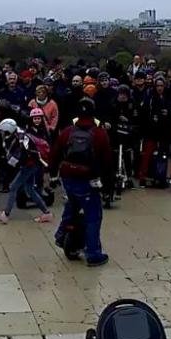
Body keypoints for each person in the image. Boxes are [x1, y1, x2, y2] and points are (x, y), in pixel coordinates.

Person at [50, 99, 112, 267]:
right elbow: (107, 162)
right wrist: (108, 186)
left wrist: (53, 175)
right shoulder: (99, 134)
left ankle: (61, 236)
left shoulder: (68, 131)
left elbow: (55, 153)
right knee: (93, 216)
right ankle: (93, 254)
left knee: (71, 204)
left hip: (67, 177)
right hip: (87, 179)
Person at [0, 119, 52, 224]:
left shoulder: (17, 140)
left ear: (7, 131)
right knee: (30, 189)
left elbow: (18, 158)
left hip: (28, 166)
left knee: (13, 187)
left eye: (2, 131)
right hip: (34, 164)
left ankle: (5, 214)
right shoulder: (20, 135)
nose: (1, 133)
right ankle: (46, 213)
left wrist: (15, 163)